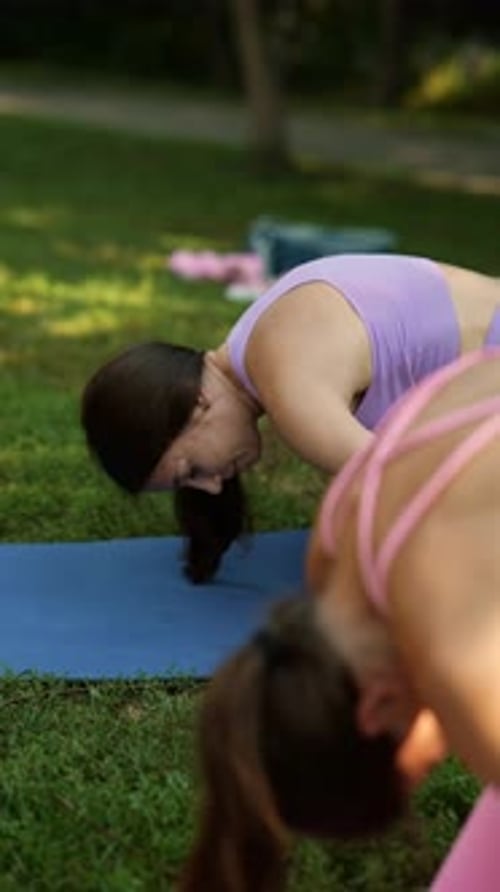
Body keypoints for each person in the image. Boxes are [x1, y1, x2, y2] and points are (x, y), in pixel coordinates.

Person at [178, 347, 500, 892]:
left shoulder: (458, 658)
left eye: (419, 770)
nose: (448, 749)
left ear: (375, 710)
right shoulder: (337, 539)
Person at [81, 253, 500, 582]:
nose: (210, 485)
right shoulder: (261, 332)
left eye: (190, 469)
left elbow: (420, 489)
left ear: (198, 404)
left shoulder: (285, 378)